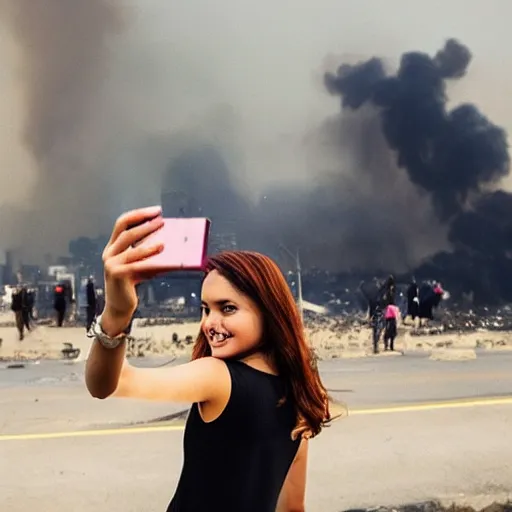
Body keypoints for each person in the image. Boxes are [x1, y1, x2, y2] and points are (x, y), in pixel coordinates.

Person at [85, 206, 331, 512]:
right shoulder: (300, 400)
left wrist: (116, 313)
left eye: (227, 308)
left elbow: (109, 383)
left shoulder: (217, 377)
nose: (209, 323)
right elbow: (293, 507)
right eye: (205, 309)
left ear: (269, 312)